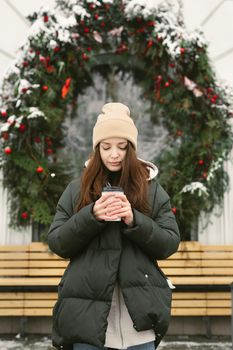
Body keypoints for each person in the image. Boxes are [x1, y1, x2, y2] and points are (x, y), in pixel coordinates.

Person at [48, 102, 180, 350]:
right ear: (97, 149)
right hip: (86, 316)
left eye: (122, 147)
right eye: (106, 147)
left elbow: (170, 242)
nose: (114, 154)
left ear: (132, 149)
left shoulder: (152, 190)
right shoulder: (77, 190)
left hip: (138, 316)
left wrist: (134, 220)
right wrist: (92, 216)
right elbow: (57, 242)